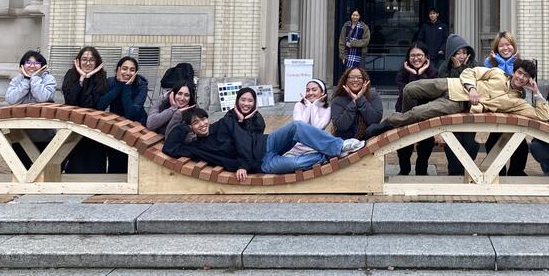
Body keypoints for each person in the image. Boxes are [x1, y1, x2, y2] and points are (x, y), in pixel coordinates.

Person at [163, 89, 364, 179]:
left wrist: (242, 165)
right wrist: (181, 117)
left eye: (203, 119)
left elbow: (242, 140)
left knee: (296, 127)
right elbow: (169, 148)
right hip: (262, 164)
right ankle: (327, 155)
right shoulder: (197, 148)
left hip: (266, 145)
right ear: (191, 128)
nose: (202, 124)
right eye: (196, 123)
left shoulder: (223, 123)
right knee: (295, 164)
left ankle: (339, 146)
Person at [365, 57, 548, 139]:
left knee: (420, 112)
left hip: (457, 103)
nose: (521, 78)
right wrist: (472, 88)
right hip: (453, 84)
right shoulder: (498, 74)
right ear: (515, 72)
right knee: (411, 89)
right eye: (520, 73)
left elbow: (541, 116)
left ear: (528, 81)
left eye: (525, 77)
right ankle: (405, 123)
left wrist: (537, 93)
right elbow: (470, 71)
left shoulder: (517, 103)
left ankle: (388, 124)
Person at [437, 34, 482, 176]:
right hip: (452, 110)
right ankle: (454, 172)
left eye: (464, 52)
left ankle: (468, 170)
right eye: (458, 53)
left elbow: (474, 86)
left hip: (470, 110)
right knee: (453, 143)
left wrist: (461, 69)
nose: (462, 56)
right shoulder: (444, 68)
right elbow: (453, 88)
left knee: (470, 143)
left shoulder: (475, 65)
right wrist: (457, 69)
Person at [60, 46, 110, 173]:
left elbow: (91, 105)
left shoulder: (102, 77)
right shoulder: (70, 75)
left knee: (95, 164)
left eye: (92, 60)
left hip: (95, 127)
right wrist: (81, 79)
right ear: (78, 61)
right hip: (74, 125)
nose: (87, 63)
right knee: (76, 163)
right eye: (84, 59)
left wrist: (89, 78)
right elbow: (70, 101)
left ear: (97, 62)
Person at [481, 31, 525, 166]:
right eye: (501, 46)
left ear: (514, 46)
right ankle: (498, 173)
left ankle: (516, 173)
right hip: (496, 105)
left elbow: (517, 87)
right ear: (496, 48)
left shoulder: (519, 62)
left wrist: (509, 63)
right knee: (494, 142)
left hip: (513, 106)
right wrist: (501, 64)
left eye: (508, 44)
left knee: (520, 146)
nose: (505, 48)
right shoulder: (489, 62)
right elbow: (499, 83)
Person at [393, 45, 438, 176]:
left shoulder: (433, 73)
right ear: (408, 58)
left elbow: (428, 93)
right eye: (412, 55)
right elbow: (408, 93)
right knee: (403, 142)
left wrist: (422, 73)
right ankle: (404, 169)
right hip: (405, 111)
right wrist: (414, 74)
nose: (416, 58)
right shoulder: (402, 73)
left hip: (426, 112)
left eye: (419, 55)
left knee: (427, 142)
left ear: (426, 57)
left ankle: (421, 170)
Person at [283, 79, 332, 160]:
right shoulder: (299, 105)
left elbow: (317, 129)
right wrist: (309, 107)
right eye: (307, 90)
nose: (310, 93)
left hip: (316, 148)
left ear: (322, 92)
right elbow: (300, 128)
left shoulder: (327, 109)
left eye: (314, 90)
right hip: (296, 149)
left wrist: (314, 106)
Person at [329, 66, 384, 139]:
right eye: (351, 77)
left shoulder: (372, 95)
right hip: (345, 142)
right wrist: (354, 102)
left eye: (359, 77)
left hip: (368, 141)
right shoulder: (338, 100)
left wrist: (360, 99)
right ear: (346, 80)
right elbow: (342, 126)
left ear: (364, 81)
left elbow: (375, 120)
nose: (355, 80)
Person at [97, 56, 149, 125]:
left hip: (136, 123)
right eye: (124, 69)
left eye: (132, 70)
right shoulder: (111, 81)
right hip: (116, 121)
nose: (128, 73)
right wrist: (119, 85)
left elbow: (130, 114)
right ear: (118, 69)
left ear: (136, 73)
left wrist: (126, 87)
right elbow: (100, 106)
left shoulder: (141, 86)